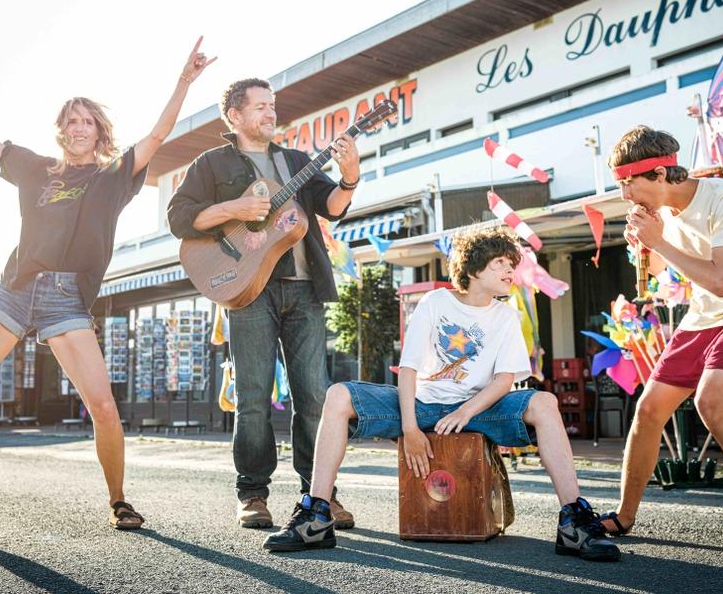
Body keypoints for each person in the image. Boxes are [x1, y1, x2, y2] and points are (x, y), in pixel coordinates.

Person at [0, 39, 216, 533]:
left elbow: (157, 134)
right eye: (70, 120)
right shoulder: (34, 168)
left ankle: (119, 502)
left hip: (67, 299)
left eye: (87, 120)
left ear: (99, 131)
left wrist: (183, 81)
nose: (78, 127)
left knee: (104, 408)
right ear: (60, 130)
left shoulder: (113, 176)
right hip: (16, 289)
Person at [263, 226, 620, 561]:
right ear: (474, 269)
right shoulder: (436, 302)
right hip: (421, 405)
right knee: (339, 395)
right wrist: (410, 429)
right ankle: (316, 514)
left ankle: (573, 520)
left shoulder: (506, 316)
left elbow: (503, 380)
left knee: (545, 401)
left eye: (512, 265)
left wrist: (465, 412)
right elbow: (409, 369)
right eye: (500, 264)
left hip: (480, 409)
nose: (510, 271)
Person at [600, 125, 723, 557]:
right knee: (649, 407)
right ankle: (623, 515)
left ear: (658, 174)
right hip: (704, 315)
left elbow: (722, 280)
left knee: (711, 403)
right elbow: (656, 274)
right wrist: (646, 245)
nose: (624, 195)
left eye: (627, 184)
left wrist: (659, 242)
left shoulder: (721, 197)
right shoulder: (662, 212)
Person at [167, 78, 359, 531]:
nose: (271, 113)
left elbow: (331, 206)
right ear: (235, 115)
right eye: (261, 107)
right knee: (252, 397)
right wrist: (234, 208)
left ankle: (320, 495)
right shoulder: (211, 163)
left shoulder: (294, 161)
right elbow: (179, 218)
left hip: (305, 288)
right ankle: (252, 493)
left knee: (314, 397)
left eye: (273, 106)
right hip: (247, 287)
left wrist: (350, 176)